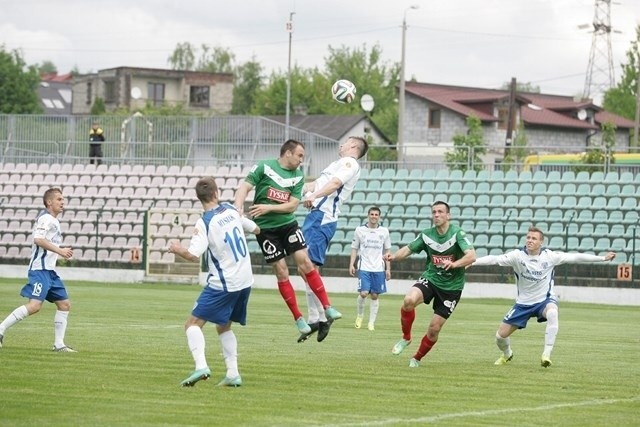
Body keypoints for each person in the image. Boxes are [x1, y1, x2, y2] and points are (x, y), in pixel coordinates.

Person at [233, 139, 342, 335]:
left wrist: (268, 207)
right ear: (288, 153)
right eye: (300, 155)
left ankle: (327, 307)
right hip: (265, 230)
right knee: (281, 271)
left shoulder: (298, 176)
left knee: (306, 264)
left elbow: (292, 206)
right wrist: (238, 207)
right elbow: (244, 187)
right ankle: (298, 318)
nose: (302, 160)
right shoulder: (264, 166)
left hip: (288, 225)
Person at [470, 225, 616, 368]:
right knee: (500, 337)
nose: (530, 240)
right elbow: (493, 259)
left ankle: (546, 355)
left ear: (541, 242)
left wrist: (602, 258)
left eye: (534, 238)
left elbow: (575, 257)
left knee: (552, 312)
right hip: (523, 304)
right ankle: (507, 354)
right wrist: (470, 262)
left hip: (544, 301)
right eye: (528, 237)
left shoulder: (550, 256)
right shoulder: (517, 256)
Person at [168, 177, 260, 388]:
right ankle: (233, 373)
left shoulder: (205, 222)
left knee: (191, 325)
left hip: (224, 283)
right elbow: (255, 229)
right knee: (223, 326)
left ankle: (201, 366)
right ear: (217, 193)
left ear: (199, 198)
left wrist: (176, 248)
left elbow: (192, 254)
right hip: (245, 280)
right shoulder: (230, 210)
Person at [385, 200, 476, 368]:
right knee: (408, 301)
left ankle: (417, 358)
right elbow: (408, 249)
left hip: (452, 288)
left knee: (434, 329)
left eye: (440, 212)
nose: (436, 215)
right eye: (434, 212)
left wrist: (455, 264)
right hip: (431, 279)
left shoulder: (458, 234)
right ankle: (406, 338)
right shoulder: (427, 234)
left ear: (448, 215)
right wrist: (394, 257)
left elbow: (471, 256)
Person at [297, 136, 369, 343]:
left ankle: (318, 317)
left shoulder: (350, 163)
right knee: (305, 268)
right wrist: (294, 188)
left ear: (354, 146)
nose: (341, 144)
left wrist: (314, 196)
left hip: (323, 218)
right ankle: (319, 317)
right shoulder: (335, 164)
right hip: (315, 217)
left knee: (308, 267)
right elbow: (314, 185)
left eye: (346, 142)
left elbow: (335, 184)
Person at [0, 188, 75, 352]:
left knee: (64, 304)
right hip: (40, 270)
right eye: (59, 199)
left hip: (49, 272)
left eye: (63, 199)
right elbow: (38, 239)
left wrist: (59, 251)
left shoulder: (53, 220)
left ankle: (59, 344)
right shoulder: (46, 219)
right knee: (34, 306)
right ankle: (0, 329)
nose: (63, 202)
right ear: (49, 202)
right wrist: (60, 250)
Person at [349, 206, 391, 332]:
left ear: (379, 217)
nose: (374, 216)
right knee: (363, 293)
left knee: (374, 295)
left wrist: (388, 269)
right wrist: (352, 264)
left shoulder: (384, 231)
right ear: (368, 215)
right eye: (371, 214)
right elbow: (354, 248)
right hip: (364, 267)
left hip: (378, 268)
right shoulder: (360, 230)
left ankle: (371, 322)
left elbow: (387, 250)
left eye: (376, 214)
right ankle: (360, 316)